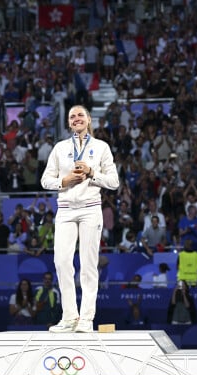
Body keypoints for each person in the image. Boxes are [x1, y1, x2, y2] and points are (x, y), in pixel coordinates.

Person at [40, 105, 119, 333]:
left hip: (90, 209)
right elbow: (46, 180)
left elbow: (113, 182)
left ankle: (86, 319)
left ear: (89, 119)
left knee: (88, 265)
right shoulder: (60, 148)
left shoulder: (101, 147)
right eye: (72, 116)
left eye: (80, 115)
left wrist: (92, 173)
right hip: (65, 209)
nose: (76, 119)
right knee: (62, 262)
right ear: (68, 123)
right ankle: (69, 317)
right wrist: (64, 181)